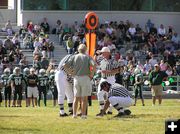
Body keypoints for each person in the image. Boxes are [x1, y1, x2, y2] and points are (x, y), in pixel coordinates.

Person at [63, 44, 96, 119]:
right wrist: (91, 74)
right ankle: (83, 115)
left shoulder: (74, 56)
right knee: (84, 98)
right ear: (85, 50)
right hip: (85, 78)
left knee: (76, 97)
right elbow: (94, 65)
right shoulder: (87, 57)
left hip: (76, 78)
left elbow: (65, 65)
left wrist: (70, 72)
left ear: (78, 50)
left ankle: (74, 114)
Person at [97, 47, 122, 116]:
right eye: (102, 53)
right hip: (103, 78)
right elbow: (96, 61)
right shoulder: (101, 60)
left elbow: (118, 70)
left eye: (103, 52)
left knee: (110, 95)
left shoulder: (113, 61)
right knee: (99, 93)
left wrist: (107, 71)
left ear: (108, 53)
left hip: (110, 78)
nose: (102, 54)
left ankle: (110, 110)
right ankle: (102, 110)